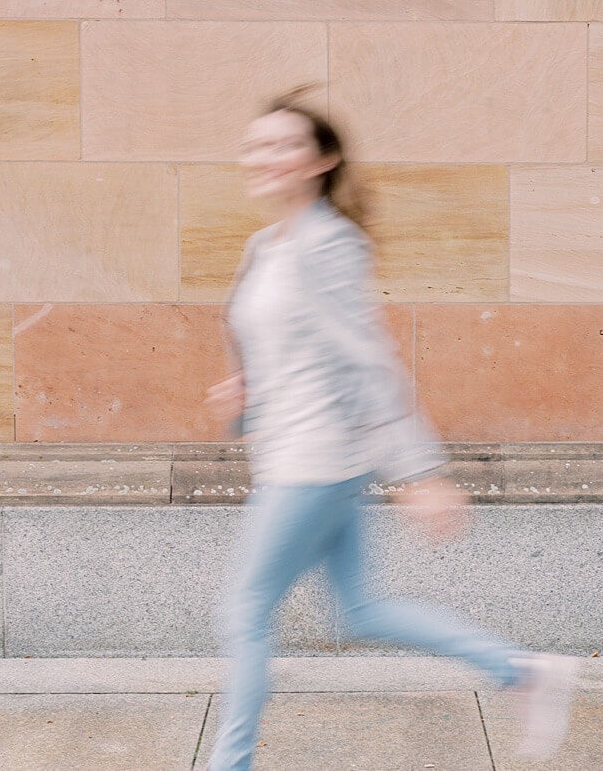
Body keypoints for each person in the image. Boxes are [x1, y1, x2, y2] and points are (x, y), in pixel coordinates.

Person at [202, 89, 578, 771]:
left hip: (311, 461)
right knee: (361, 608)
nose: (265, 157)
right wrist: (247, 390)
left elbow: (369, 361)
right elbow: (275, 342)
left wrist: (420, 473)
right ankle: (521, 671)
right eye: (256, 144)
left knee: (245, 611)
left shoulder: (328, 245)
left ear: (323, 160)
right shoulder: (267, 246)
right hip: (307, 452)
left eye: (285, 144)